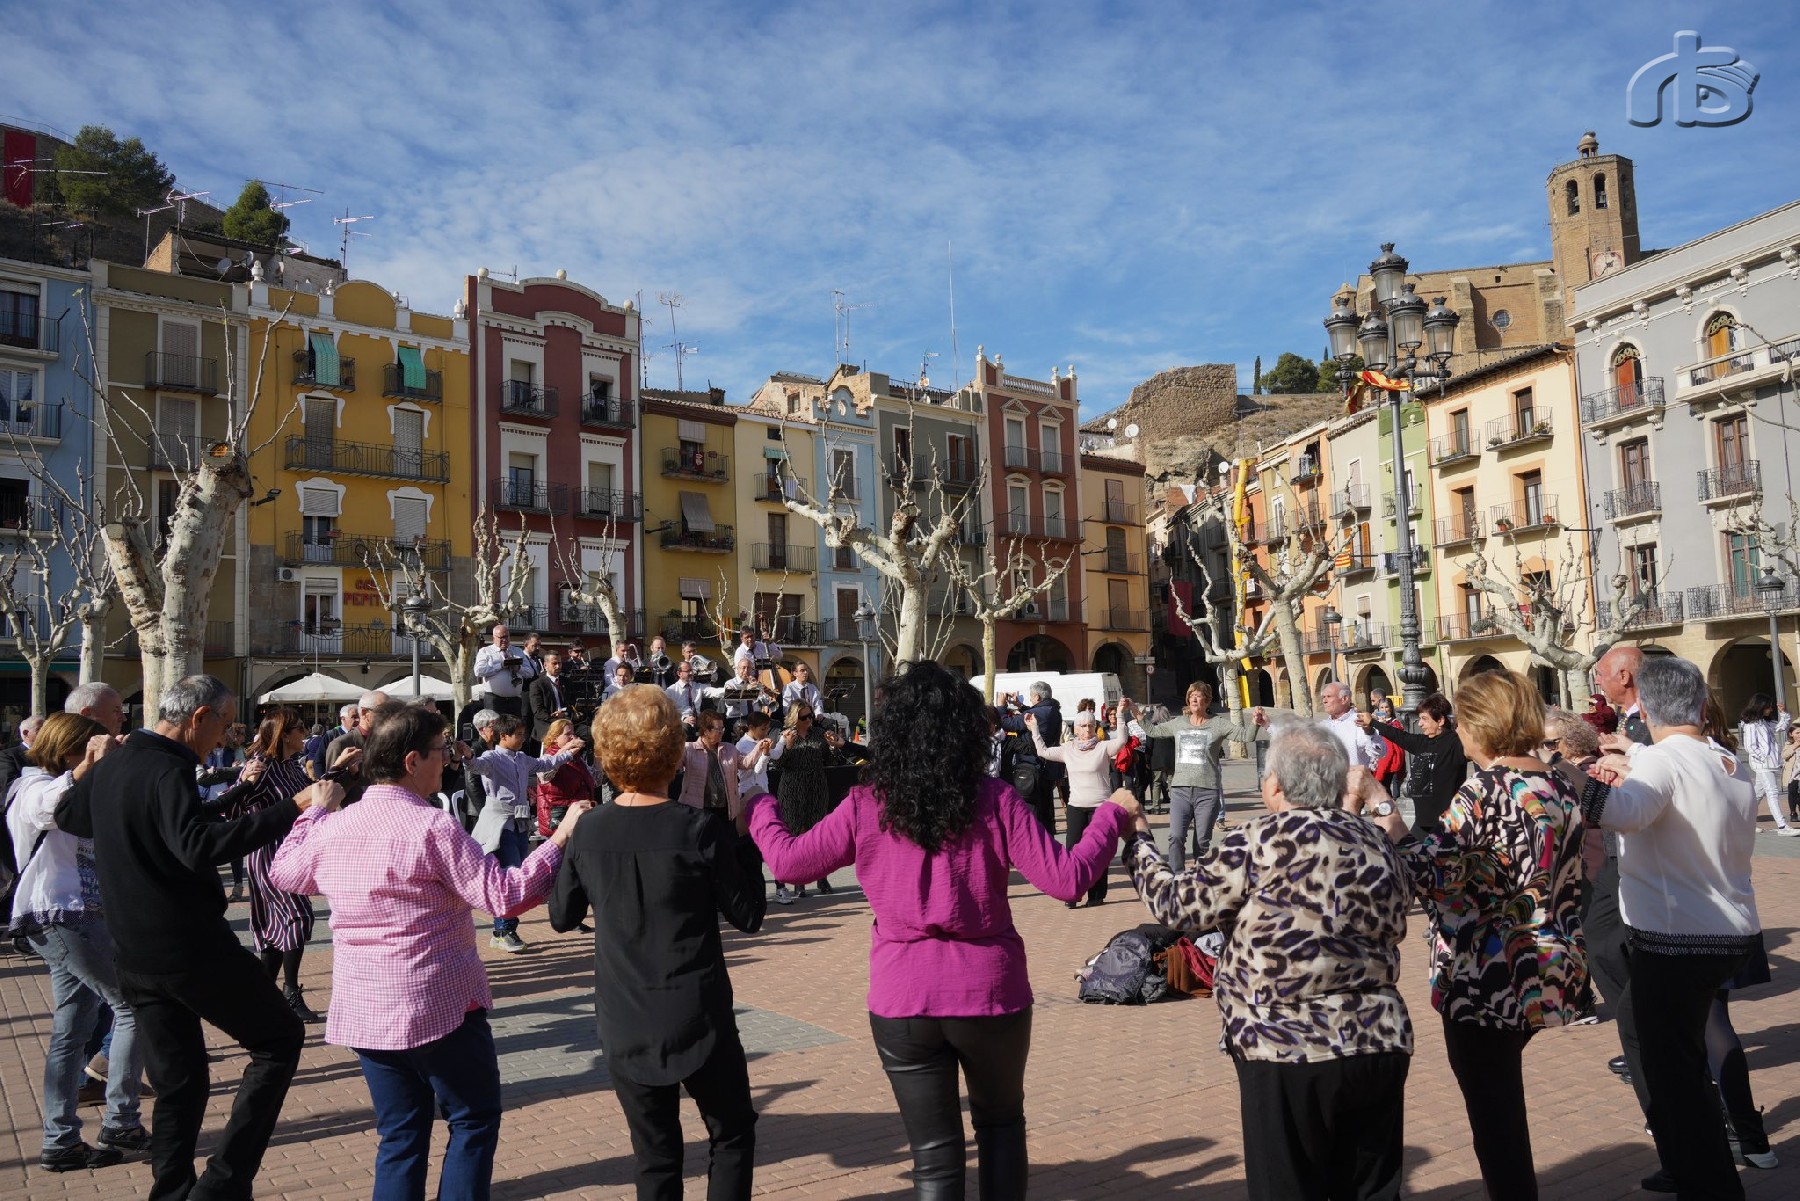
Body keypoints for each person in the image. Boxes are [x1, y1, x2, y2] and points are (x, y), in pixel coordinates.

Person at [751, 662, 1130, 1199]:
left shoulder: (867, 803)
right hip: (989, 993)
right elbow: (1067, 879)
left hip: (903, 998)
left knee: (934, 1158)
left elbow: (789, 862)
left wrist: (761, 807)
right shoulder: (994, 799)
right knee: (1000, 1126)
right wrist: (1111, 816)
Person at [269, 700, 590, 1201]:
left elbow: (285, 871)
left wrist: (316, 811)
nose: (449, 760)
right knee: (472, 1118)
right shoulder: (430, 827)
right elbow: (504, 895)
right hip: (437, 1004)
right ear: (411, 760)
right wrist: (560, 838)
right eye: (441, 751)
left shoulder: (338, 825)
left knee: (400, 1133)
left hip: (368, 1008)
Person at [54, 675, 338, 1201]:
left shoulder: (125, 758)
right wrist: (292, 808)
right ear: (198, 717)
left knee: (181, 1082)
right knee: (279, 1040)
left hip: (134, 951)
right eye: (223, 725)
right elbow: (195, 847)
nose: (224, 738)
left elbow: (75, 814)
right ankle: (221, 1185)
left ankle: (173, 1191)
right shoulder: (166, 765)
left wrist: (94, 768)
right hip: (186, 944)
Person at [1123, 724, 1413, 1201]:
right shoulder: (1376, 841)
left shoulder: (1256, 839)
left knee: (1287, 1188)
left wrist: (1138, 837)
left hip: (1283, 1043)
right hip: (1375, 1040)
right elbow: (1403, 906)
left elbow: (1177, 905)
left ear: (1274, 785)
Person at [1370, 669, 1588, 1201]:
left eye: (1464, 721)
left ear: (1482, 725)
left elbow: (1428, 872)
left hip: (1487, 973)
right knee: (1502, 1103)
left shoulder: (1485, 789)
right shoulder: (1557, 781)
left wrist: (1384, 812)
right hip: (1551, 960)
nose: (1459, 732)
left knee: (1495, 1116)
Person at [548, 685, 765, 1201]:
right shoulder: (697, 829)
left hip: (625, 1017)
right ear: (672, 752)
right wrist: (745, 838)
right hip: (698, 1012)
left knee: (655, 1156)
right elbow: (748, 914)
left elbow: (561, 916)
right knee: (732, 1133)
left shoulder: (590, 830)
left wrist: (567, 843)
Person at [1586, 658, 1767, 1193]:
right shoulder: (1724, 759)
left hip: (1678, 941)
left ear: (1647, 707)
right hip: (1729, 931)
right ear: (1702, 705)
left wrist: (1569, 772)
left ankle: (1706, 1179)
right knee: (1678, 1057)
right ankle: (1700, 1168)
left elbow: (1622, 813)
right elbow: (1668, 777)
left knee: (1675, 1074)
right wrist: (1631, 757)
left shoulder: (1666, 760)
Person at [9, 713, 147, 1172]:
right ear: (69, 750)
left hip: (79, 918)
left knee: (73, 1027)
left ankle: (61, 1140)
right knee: (133, 1005)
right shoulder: (32, 786)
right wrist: (90, 765)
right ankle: (121, 1120)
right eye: (86, 748)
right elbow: (48, 808)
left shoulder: (77, 784)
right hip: (61, 915)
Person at [213, 708, 326, 1022]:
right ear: (284, 734)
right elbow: (232, 810)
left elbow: (311, 796)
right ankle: (289, 992)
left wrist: (340, 771)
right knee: (297, 917)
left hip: (294, 852)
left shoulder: (291, 766)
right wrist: (245, 781)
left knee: (276, 929)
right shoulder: (261, 766)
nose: (305, 733)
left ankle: (259, 996)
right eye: (300, 728)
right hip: (269, 854)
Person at [1588, 646, 1651, 1103]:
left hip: (1637, 855)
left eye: (1601, 675)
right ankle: (1639, 1039)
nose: (1598, 683)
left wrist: (1619, 767)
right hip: (1621, 853)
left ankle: (1644, 1044)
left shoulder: (1646, 722)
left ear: (1624, 675)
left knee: (1611, 942)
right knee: (1601, 939)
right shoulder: (1630, 725)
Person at [467, 714, 578, 953]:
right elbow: (476, 765)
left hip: (520, 824)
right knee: (510, 874)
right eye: (518, 735)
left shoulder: (522, 758)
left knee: (515, 873)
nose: (522, 739)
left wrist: (568, 753)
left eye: (522, 734)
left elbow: (546, 764)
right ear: (503, 736)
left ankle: (503, 930)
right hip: (501, 825)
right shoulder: (492, 758)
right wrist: (466, 756)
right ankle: (504, 930)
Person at [1028, 698, 1135, 907]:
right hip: (1076, 806)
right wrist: (1034, 728)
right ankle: (1072, 893)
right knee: (1072, 852)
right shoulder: (1067, 749)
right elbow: (1043, 751)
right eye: (1083, 726)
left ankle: (1096, 895)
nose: (1087, 729)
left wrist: (1121, 714)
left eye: (1091, 725)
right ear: (1075, 729)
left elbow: (1122, 740)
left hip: (1100, 808)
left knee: (1099, 853)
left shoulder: (1103, 747)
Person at [1147, 682, 1246, 870]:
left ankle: (1199, 878)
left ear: (1207, 700)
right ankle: (1177, 878)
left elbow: (1244, 735)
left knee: (1201, 843)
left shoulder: (1218, 724)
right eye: (1191, 695)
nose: (1193, 698)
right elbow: (1153, 731)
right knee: (1175, 836)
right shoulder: (1179, 723)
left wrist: (1257, 723)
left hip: (1207, 792)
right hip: (1180, 790)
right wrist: (1136, 714)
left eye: (1198, 695)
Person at [1362, 692, 1466, 835]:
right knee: (1405, 847)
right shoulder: (1422, 742)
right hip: (1422, 823)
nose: (1420, 723)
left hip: (1447, 826)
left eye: (1424, 719)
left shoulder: (1455, 743)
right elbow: (1398, 735)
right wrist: (1373, 723)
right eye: (1419, 718)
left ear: (1440, 720)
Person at [771, 700, 843, 902]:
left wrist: (833, 747)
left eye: (810, 716)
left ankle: (822, 877)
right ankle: (799, 880)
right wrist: (788, 746)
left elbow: (831, 761)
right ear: (795, 717)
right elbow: (778, 764)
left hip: (816, 787)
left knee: (818, 834)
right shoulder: (785, 735)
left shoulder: (819, 734)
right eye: (804, 717)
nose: (808, 720)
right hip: (793, 788)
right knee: (797, 834)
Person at [998, 683, 1064, 834]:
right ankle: (1048, 840)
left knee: (1033, 811)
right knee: (1046, 810)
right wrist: (1020, 706)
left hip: (1033, 767)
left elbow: (1007, 724)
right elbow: (1034, 713)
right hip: (1048, 767)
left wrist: (1001, 706)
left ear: (1037, 697)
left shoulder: (1038, 713)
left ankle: (1036, 841)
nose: (1030, 699)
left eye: (1031, 697)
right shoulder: (1053, 710)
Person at [1737, 693, 1797, 835]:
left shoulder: (1765, 722)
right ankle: (1782, 826)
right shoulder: (1751, 724)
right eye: (1768, 706)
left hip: (1770, 763)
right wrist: (1763, 758)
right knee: (1772, 792)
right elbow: (1750, 746)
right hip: (1762, 764)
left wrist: (1783, 713)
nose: (1770, 709)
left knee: (1758, 793)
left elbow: (1782, 727)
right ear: (1761, 706)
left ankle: (1743, 822)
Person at [535, 719, 594, 837]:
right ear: (555, 738)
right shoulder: (548, 757)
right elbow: (545, 775)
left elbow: (595, 780)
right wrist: (567, 749)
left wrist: (599, 755)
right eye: (567, 734)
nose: (572, 737)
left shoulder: (576, 758)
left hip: (577, 817)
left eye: (573, 734)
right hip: (557, 821)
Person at [324, 691, 383, 806]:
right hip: (351, 812)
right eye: (383, 711)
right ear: (365, 713)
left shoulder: (387, 742)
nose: (390, 717)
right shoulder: (340, 744)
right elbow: (331, 789)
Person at [472, 623, 537, 718]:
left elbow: (530, 673)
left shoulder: (517, 651)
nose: (505, 640)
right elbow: (478, 671)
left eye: (507, 637)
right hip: (494, 700)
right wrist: (501, 666)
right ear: (494, 638)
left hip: (515, 700)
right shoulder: (485, 651)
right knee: (495, 726)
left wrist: (519, 668)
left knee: (515, 726)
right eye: (501, 638)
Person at [1316, 681, 1382, 770]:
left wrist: (1369, 732)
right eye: (1323, 697)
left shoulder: (1359, 721)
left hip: (1353, 777)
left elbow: (1379, 752)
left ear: (1344, 699)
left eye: (1329, 696)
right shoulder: (1322, 726)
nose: (1324, 701)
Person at [526, 650, 575, 745]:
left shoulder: (567, 682)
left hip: (567, 721)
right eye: (554, 663)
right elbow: (538, 711)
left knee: (589, 732)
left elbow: (572, 703)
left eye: (560, 663)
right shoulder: (537, 684)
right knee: (563, 736)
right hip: (547, 723)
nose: (558, 666)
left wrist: (565, 713)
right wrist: (556, 720)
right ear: (545, 665)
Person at [734, 711, 781, 798]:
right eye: (763, 729)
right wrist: (764, 754)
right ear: (751, 727)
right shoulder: (742, 745)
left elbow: (776, 754)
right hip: (748, 792)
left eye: (767, 729)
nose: (766, 733)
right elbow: (756, 769)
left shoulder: (761, 741)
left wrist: (783, 740)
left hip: (763, 789)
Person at [307, 703, 358, 780]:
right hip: (335, 782)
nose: (358, 720)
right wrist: (323, 780)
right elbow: (318, 761)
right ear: (343, 719)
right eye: (354, 717)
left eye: (359, 717)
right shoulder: (331, 735)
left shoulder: (361, 735)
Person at [666, 658, 707, 738]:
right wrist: (683, 718)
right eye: (688, 671)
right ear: (679, 673)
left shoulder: (697, 686)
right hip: (682, 721)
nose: (691, 673)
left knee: (713, 725)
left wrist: (728, 688)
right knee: (685, 727)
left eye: (691, 670)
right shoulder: (671, 690)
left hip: (698, 719)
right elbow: (668, 711)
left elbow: (713, 691)